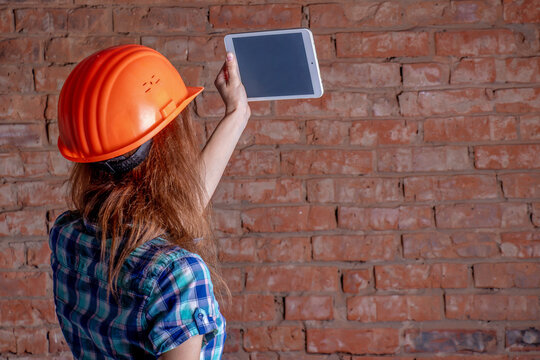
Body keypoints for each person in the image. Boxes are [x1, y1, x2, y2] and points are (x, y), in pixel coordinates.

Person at [49, 44, 250, 359]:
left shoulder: (67, 235)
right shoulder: (177, 276)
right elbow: (163, 254)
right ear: (165, 148)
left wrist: (237, 114)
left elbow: (173, 220)